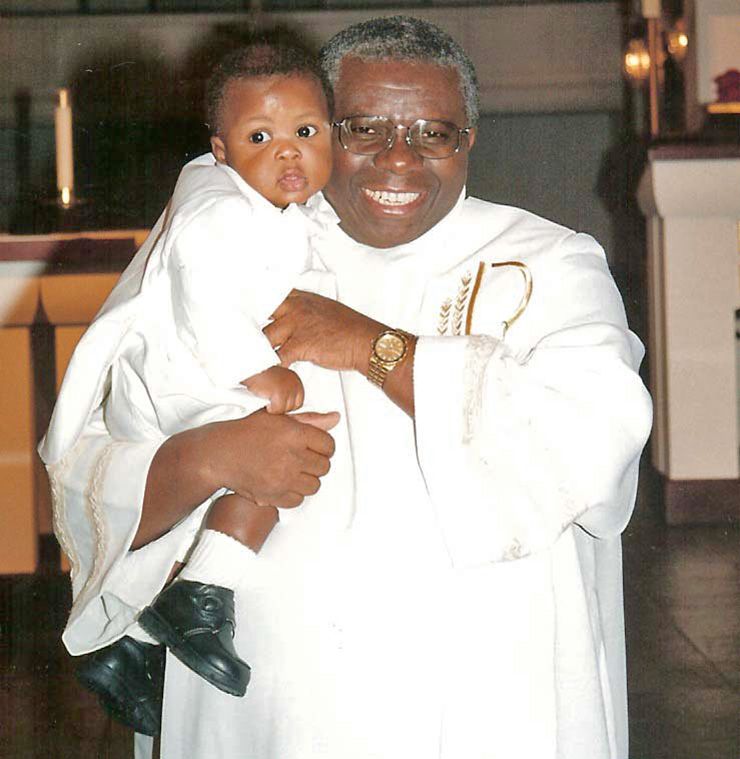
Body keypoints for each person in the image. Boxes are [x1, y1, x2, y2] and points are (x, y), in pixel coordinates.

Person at [40, 15, 652, 759]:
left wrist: (373, 346)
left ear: (470, 140)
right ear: (321, 130)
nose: (400, 161)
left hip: (486, 697)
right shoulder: (222, 248)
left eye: (435, 133)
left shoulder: (551, 262)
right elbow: (88, 467)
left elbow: (594, 447)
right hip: (271, 703)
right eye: (362, 129)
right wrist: (210, 459)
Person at [40, 39, 353, 736]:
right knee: (281, 453)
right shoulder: (217, 211)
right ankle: (200, 593)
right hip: (187, 370)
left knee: (224, 492)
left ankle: (129, 640)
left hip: (198, 367)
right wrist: (260, 374)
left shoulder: (279, 206)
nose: (289, 152)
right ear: (220, 149)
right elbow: (206, 301)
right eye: (260, 136)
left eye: (306, 131)